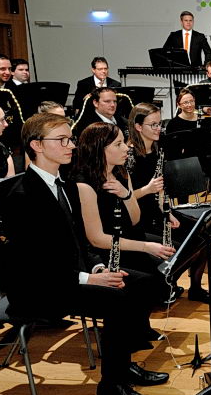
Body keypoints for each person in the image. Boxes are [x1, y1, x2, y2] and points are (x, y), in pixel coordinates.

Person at [0, 113, 168, 395]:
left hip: (66, 275)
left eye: (71, 139)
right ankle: (111, 388)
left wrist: (99, 268)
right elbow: (33, 263)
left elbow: (80, 242)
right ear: (37, 145)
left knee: (141, 282)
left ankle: (122, 366)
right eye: (62, 140)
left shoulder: (62, 185)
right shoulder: (22, 195)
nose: (72, 146)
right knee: (118, 298)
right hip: (39, 287)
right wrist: (89, 278)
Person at [127, 103, 211, 304]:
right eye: (153, 125)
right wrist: (147, 189)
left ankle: (195, 288)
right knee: (181, 251)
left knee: (202, 235)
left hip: (156, 212)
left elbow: (160, 191)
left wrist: (168, 213)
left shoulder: (157, 149)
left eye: (160, 124)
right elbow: (125, 198)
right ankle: (166, 287)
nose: (158, 129)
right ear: (138, 126)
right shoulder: (129, 156)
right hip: (138, 219)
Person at [74, 123, 175, 288]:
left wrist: (126, 195)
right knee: (156, 280)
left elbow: (135, 219)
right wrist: (145, 247)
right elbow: (97, 239)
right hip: (107, 250)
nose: (126, 148)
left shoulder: (121, 172)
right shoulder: (84, 185)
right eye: (118, 144)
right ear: (99, 148)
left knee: (177, 258)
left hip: (127, 238)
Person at [164, 89, 211, 202]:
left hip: (201, 158)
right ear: (179, 105)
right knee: (183, 173)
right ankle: (183, 207)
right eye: (185, 102)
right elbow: (171, 150)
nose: (189, 105)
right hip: (183, 160)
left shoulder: (202, 121)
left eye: (191, 101)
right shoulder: (173, 124)